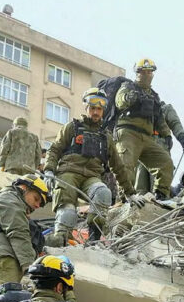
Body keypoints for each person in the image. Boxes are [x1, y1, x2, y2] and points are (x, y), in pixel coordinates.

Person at [44, 88, 134, 244]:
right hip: (68, 173)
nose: (96, 112)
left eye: (99, 109)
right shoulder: (72, 127)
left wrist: (130, 193)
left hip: (91, 177)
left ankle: (94, 238)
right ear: (87, 108)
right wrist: (49, 170)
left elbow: (118, 167)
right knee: (68, 213)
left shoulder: (105, 137)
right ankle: (60, 240)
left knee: (104, 193)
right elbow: (55, 149)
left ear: (103, 111)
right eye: (93, 108)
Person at [113, 58, 176, 199]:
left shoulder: (153, 95)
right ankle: (124, 198)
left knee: (166, 163)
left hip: (147, 138)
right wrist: (129, 98)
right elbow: (119, 101)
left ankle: (160, 195)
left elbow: (159, 118)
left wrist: (167, 135)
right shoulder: (128, 86)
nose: (147, 75)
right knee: (126, 166)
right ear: (138, 73)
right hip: (128, 133)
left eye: (150, 72)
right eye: (144, 72)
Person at [0, 177, 49, 297]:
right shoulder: (9, 200)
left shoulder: (11, 202)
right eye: (36, 199)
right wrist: (30, 270)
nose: (37, 205)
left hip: (2, 260)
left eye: (40, 204)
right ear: (24, 188)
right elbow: (18, 233)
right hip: (5, 260)